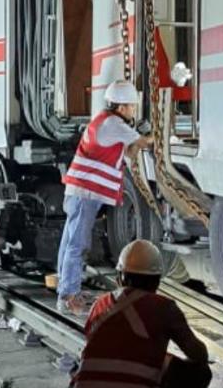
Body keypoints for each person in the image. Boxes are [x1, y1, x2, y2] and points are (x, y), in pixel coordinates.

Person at [70, 240, 211, 388]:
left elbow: (98, 350)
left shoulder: (100, 304)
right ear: (157, 281)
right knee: (200, 374)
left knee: (99, 367)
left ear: (119, 277)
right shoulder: (164, 308)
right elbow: (198, 356)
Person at [57, 80, 153, 314]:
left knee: (70, 241)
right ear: (121, 107)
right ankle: (68, 295)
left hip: (80, 192)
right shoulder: (113, 123)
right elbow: (141, 142)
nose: (133, 110)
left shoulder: (106, 122)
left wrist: (138, 139)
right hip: (84, 194)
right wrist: (158, 133)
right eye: (131, 106)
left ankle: (66, 287)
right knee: (77, 244)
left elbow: (129, 150)